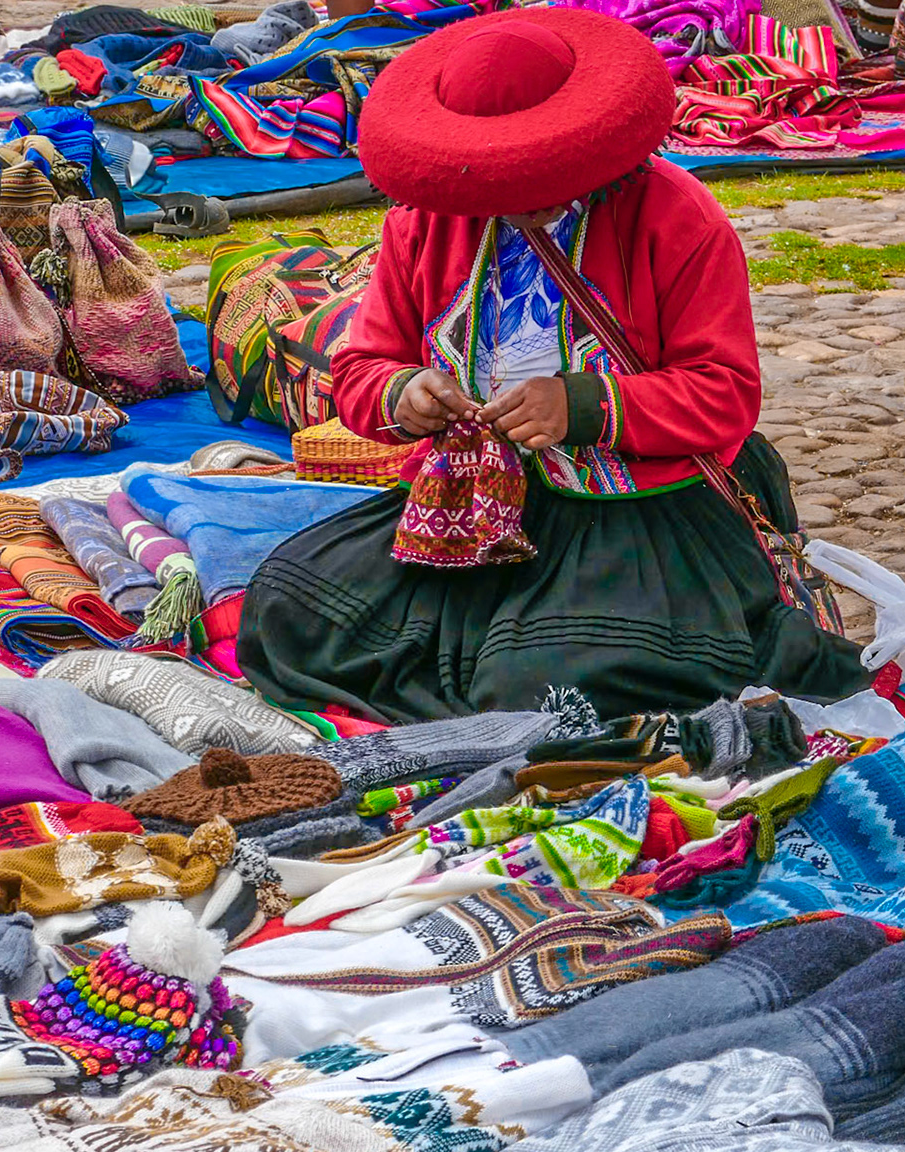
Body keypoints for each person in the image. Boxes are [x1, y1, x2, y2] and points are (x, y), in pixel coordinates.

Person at [237, 8, 867, 725]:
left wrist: (585, 407)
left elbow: (724, 393)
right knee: (287, 606)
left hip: (634, 517)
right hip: (465, 515)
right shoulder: (428, 220)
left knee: (549, 686)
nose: (515, 195)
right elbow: (360, 368)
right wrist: (404, 391)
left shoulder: (677, 217)